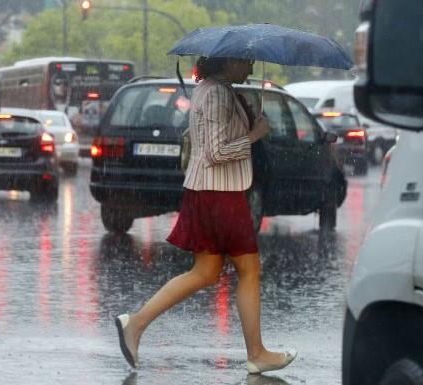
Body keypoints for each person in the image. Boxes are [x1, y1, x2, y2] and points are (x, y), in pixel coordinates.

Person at [115, 56, 297, 374]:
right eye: (247, 62)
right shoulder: (215, 94)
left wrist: (250, 122)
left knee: (205, 272)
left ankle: (136, 324)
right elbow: (216, 152)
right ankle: (256, 352)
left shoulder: (215, 90)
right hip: (219, 193)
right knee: (249, 268)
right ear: (229, 61)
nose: (252, 68)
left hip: (212, 191)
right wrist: (254, 136)